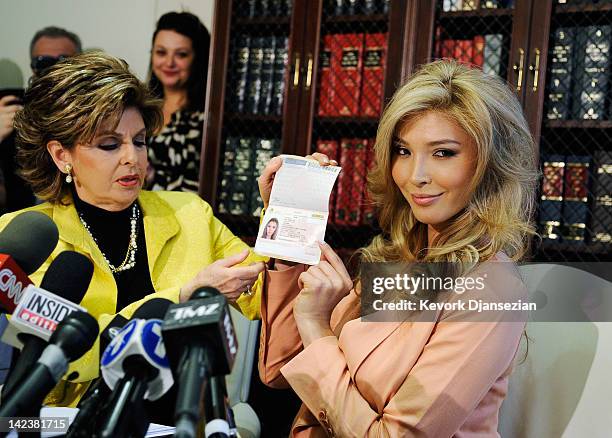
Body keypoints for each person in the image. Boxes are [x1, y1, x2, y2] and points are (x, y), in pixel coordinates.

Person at [256, 60, 538, 436]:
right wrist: (290, 235)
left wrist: (315, 324)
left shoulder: (493, 290)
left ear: (488, 164)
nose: (415, 176)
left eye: (443, 153)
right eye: (403, 151)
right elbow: (278, 370)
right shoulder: (399, 259)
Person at [1, 51, 265, 407]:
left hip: (183, 419)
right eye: (110, 145)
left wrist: (284, 215)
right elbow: (65, 360)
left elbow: (265, 293)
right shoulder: (28, 237)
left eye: (139, 141)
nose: (133, 158)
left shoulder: (189, 213)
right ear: (62, 155)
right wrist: (182, 298)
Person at [0, 26, 82, 214]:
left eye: (64, 61)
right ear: (32, 67)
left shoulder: (97, 113)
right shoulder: (8, 107)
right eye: (43, 62)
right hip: (19, 223)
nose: (53, 70)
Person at [146, 12, 210, 192]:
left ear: (197, 58)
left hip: (185, 214)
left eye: (181, 54)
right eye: (161, 52)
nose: (169, 62)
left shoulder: (208, 117)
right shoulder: (140, 107)